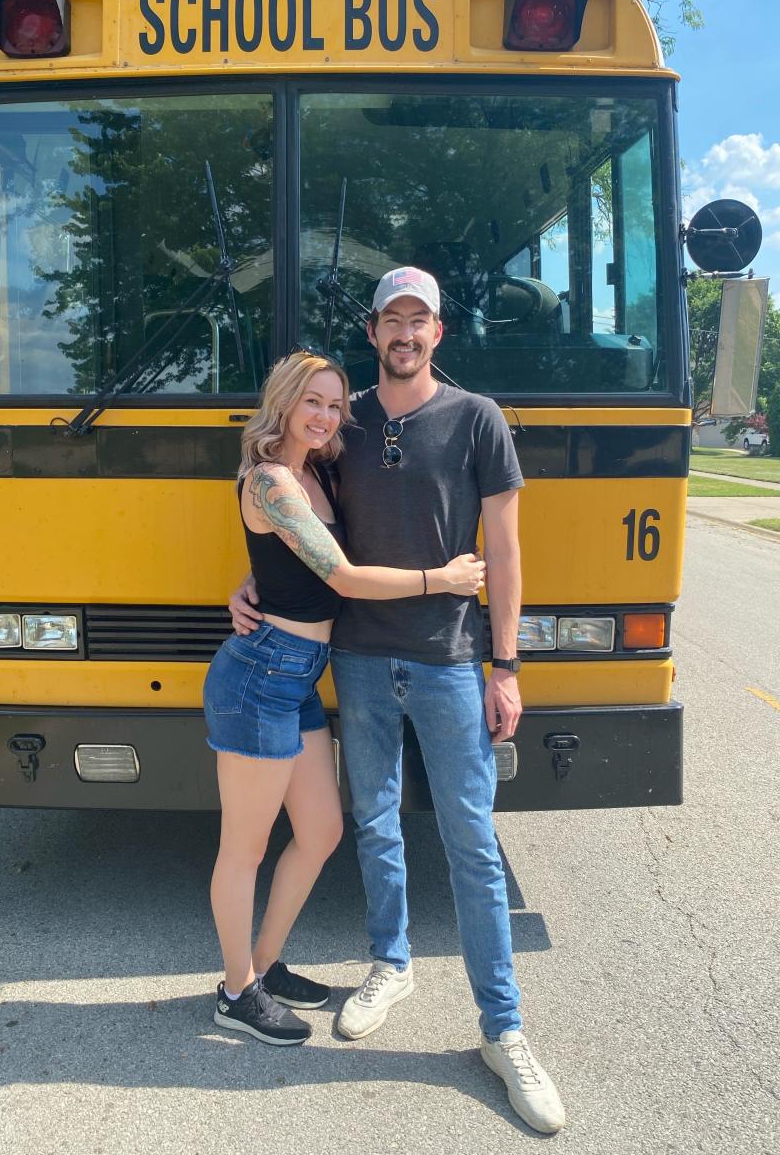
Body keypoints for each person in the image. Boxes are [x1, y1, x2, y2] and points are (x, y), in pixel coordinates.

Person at [230, 267, 566, 1132]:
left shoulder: (477, 418)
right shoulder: (347, 423)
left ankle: (504, 1030)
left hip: (452, 661)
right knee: (373, 823)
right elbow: (305, 526)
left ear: (438, 335)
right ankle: (391, 962)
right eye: (393, 321)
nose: (407, 334)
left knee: (472, 845)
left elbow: (505, 545)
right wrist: (250, 580)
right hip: (361, 659)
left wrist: (505, 662)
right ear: (374, 332)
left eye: (422, 321)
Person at [206, 349, 486, 1048]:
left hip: (297, 673)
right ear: (284, 402)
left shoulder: (316, 472)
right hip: (261, 674)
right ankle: (236, 991)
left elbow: (283, 559)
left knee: (323, 831)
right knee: (244, 848)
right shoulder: (271, 479)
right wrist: (442, 578)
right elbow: (341, 575)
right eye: (314, 402)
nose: (327, 415)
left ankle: (262, 966)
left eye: (335, 404)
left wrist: (250, 584)